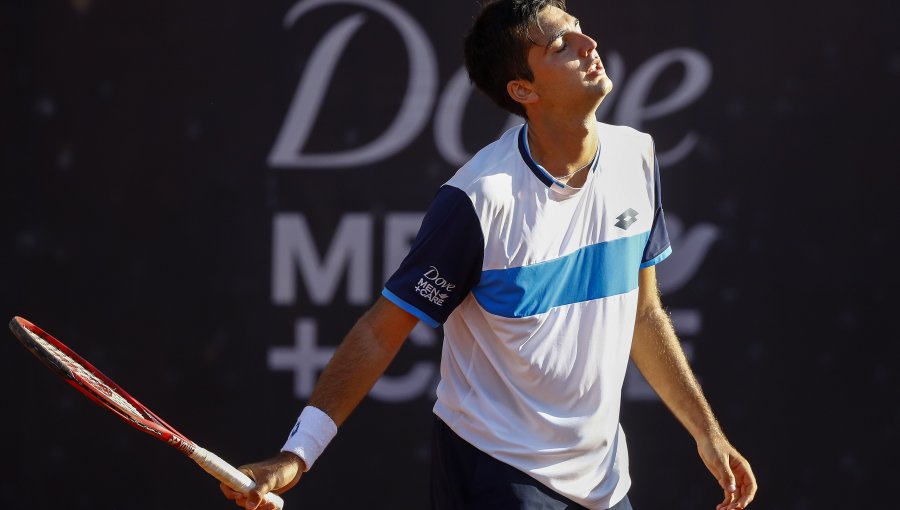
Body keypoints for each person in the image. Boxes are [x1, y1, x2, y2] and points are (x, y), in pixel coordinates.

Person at [221, 1, 757, 509]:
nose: (587, 43)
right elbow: (380, 330)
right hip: (495, 470)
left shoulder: (636, 155)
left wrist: (706, 434)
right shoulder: (479, 199)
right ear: (523, 89)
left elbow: (644, 313)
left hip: (604, 480)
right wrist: (298, 454)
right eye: (559, 45)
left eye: (578, 27)